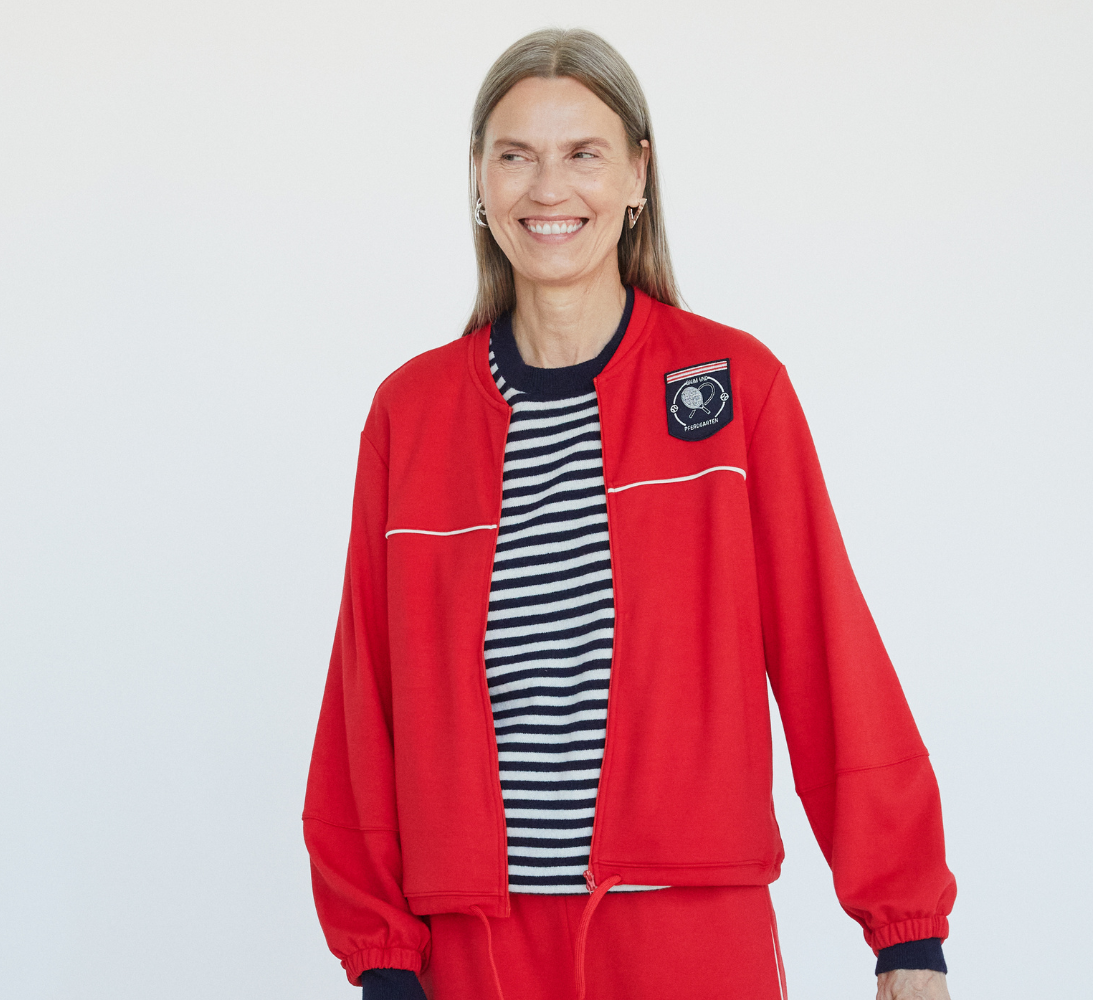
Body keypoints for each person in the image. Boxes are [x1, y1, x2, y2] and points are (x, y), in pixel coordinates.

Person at [302, 28, 956, 1000]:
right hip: (475, 943)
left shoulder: (734, 388)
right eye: (515, 155)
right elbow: (365, 697)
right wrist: (383, 954)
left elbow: (828, 652)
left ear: (638, 174)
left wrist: (904, 930)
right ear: (478, 178)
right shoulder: (412, 413)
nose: (547, 188)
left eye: (583, 153)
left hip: (687, 929)